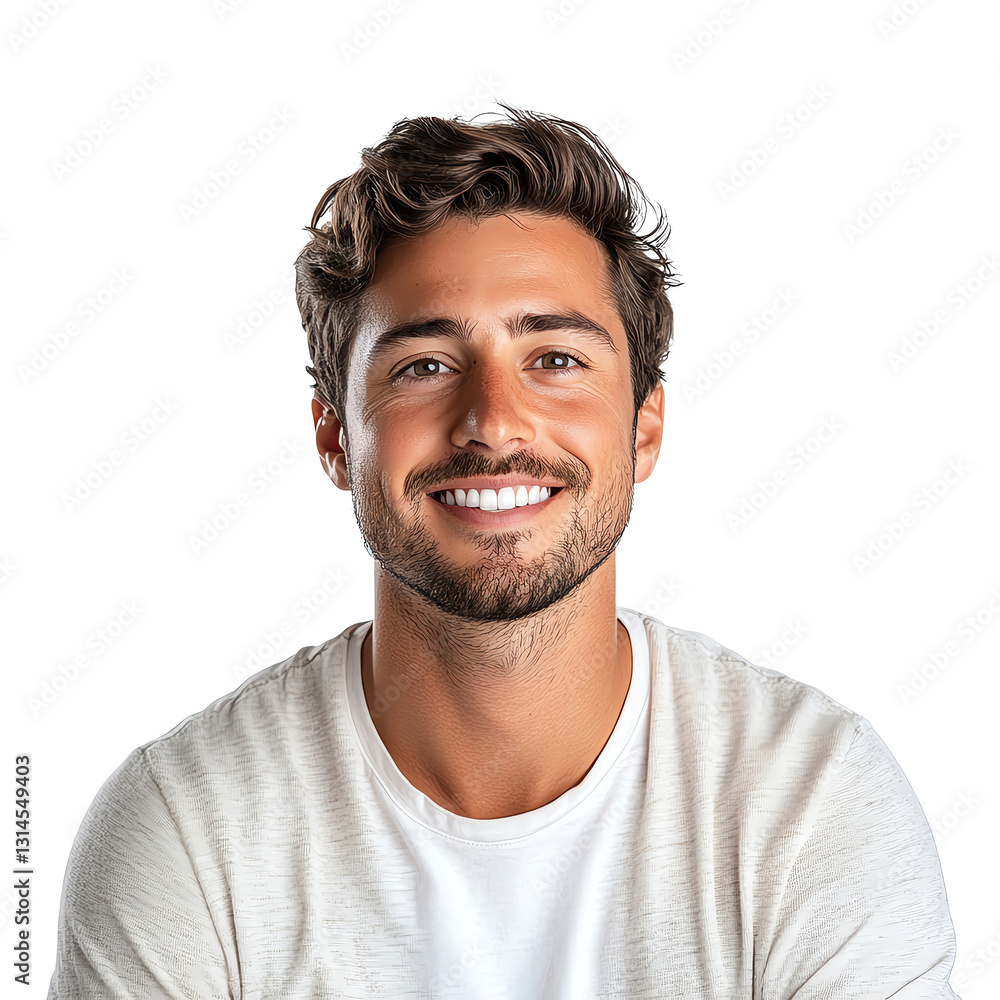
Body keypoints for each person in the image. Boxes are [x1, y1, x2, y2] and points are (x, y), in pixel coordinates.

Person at [48, 105, 961, 999]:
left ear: (644, 430)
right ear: (335, 438)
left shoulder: (811, 804)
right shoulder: (186, 831)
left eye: (556, 359)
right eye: (425, 365)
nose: (492, 422)